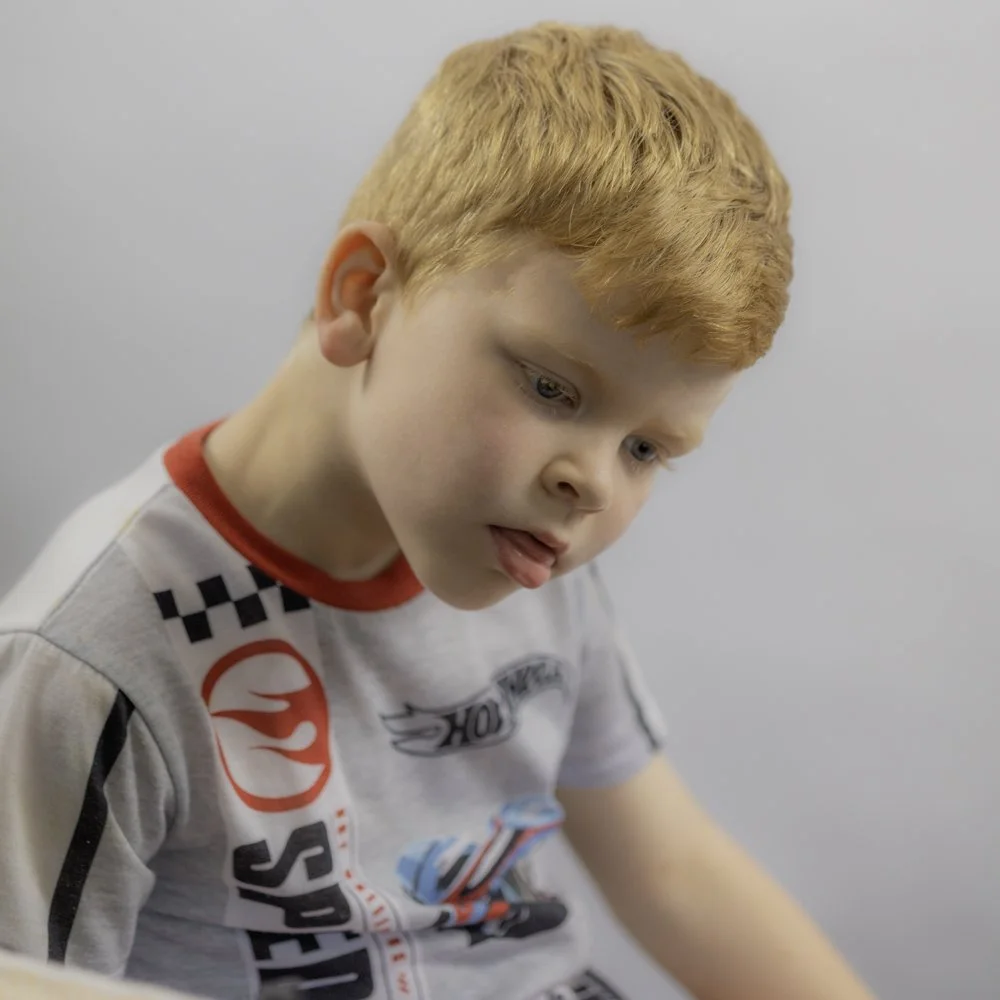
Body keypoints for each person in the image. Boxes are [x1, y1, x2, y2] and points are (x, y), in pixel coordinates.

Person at [0, 20, 876, 1000]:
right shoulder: (95, 660)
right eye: (552, 387)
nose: (591, 482)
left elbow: (676, 873)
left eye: (646, 450)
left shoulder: (524, 560)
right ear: (364, 295)